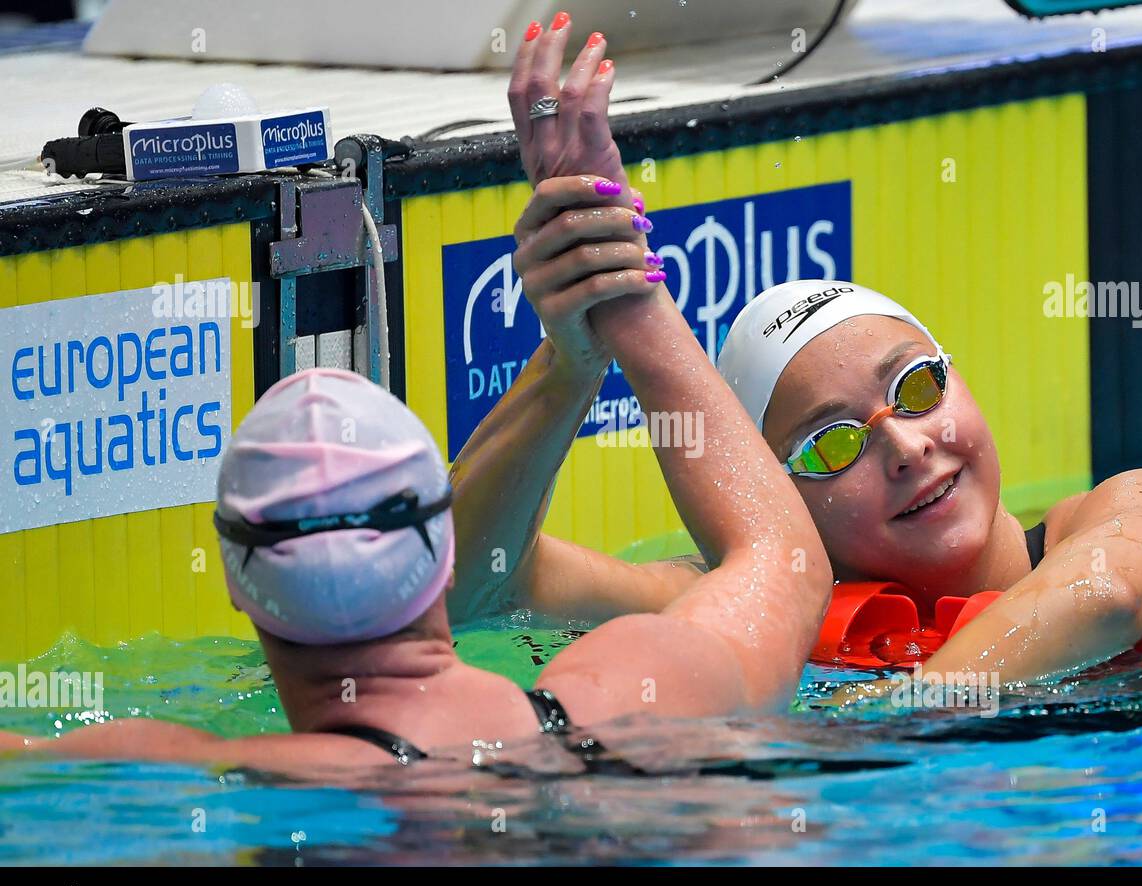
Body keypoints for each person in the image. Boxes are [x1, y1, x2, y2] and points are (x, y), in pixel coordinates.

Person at [449, 14, 1142, 689]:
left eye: (919, 388)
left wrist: (905, 715)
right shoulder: (762, 599)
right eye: (833, 444)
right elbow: (477, 589)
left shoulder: (1138, 505)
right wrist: (572, 366)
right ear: (778, 499)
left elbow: (1109, 597)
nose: (903, 444)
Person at [0, 223, 831, 769]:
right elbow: (782, 565)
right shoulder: (645, 682)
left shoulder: (193, 764)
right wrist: (620, 280)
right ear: (442, 551)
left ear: (234, 583)